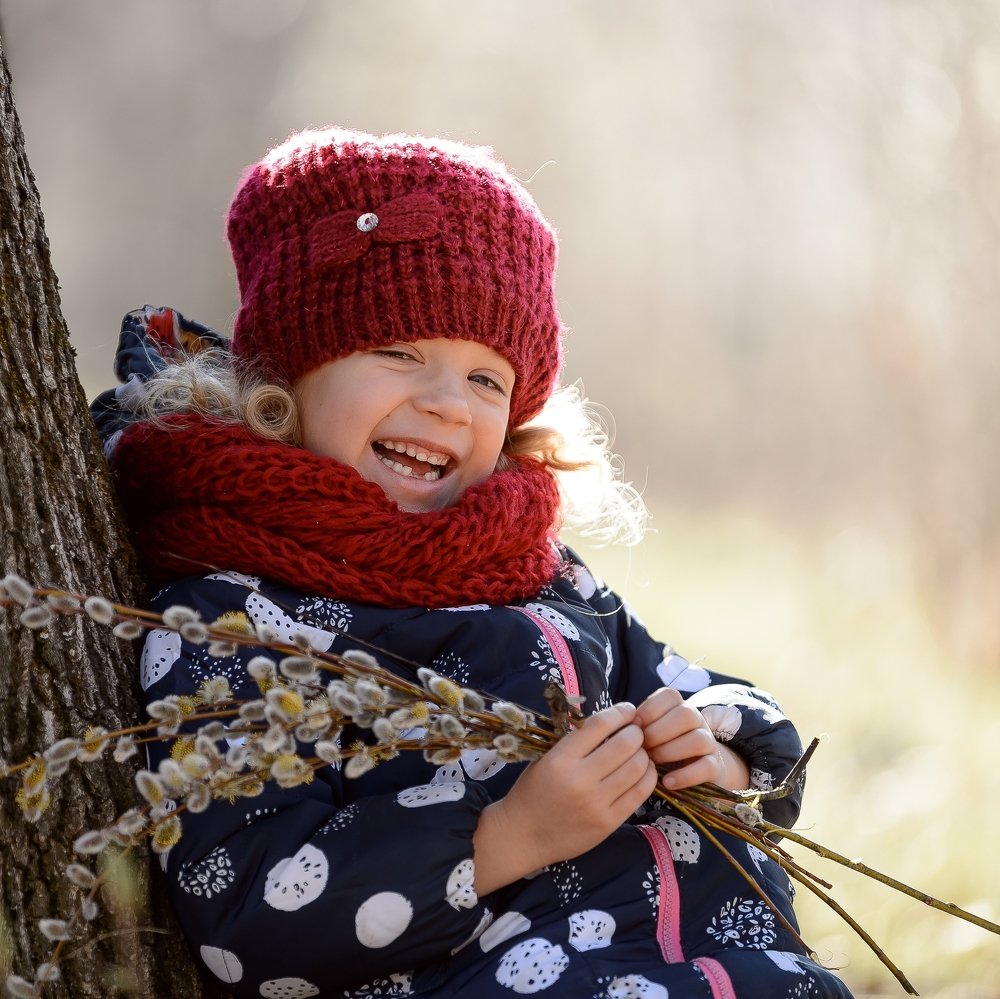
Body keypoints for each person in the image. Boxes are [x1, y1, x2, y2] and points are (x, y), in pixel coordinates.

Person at [91, 127, 854, 999]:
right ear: (287, 380)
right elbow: (250, 915)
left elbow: (692, 687)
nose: (446, 402)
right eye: (399, 351)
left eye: (488, 379)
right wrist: (506, 837)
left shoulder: (538, 573)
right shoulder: (234, 619)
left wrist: (719, 754)